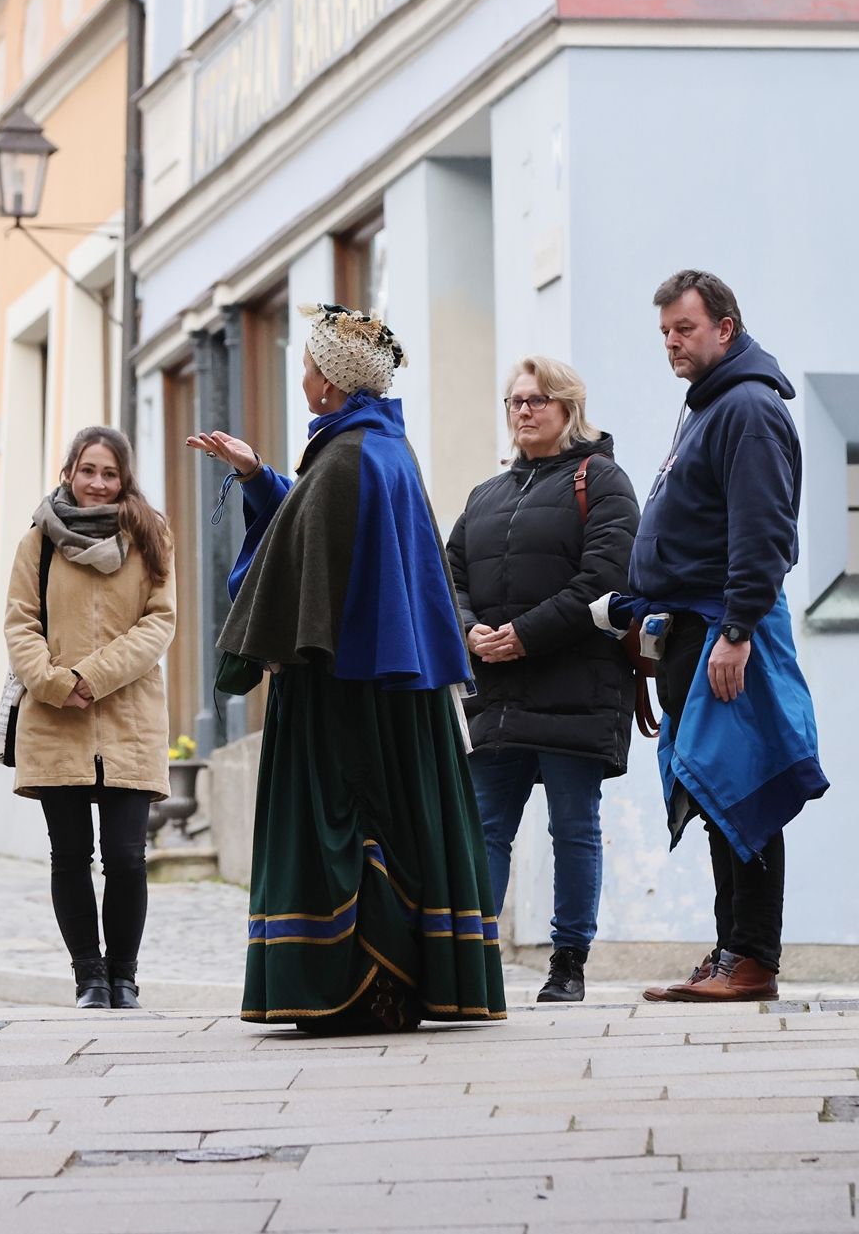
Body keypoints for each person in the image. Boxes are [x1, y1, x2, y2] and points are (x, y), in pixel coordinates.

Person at [190, 304, 507, 1033]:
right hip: (390, 681)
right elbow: (313, 538)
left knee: (358, 824)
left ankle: (361, 984)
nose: (301, 375)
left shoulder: (350, 458)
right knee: (401, 822)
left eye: (307, 364)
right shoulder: (376, 448)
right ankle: (392, 983)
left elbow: (302, 559)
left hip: (347, 690)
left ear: (331, 381)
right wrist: (258, 474)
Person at [621, 272, 825, 1003]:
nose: (672, 343)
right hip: (692, 626)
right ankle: (729, 949)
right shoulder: (708, 406)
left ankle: (752, 958)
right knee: (714, 792)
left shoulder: (747, 407)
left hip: (725, 629)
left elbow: (765, 531)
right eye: (666, 333)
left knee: (746, 785)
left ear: (726, 328)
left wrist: (736, 629)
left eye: (685, 328)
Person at [446, 356, 639, 1004]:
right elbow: (448, 579)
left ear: (567, 407)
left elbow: (606, 577)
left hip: (576, 682)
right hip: (496, 688)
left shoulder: (602, 481)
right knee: (485, 824)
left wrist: (525, 634)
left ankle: (568, 963)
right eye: (514, 401)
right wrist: (471, 629)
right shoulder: (485, 495)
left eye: (537, 399)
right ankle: (473, 958)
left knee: (572, 825)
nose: (524, 410)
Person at [3, 426, 176, 1010]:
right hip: (56, 721)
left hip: (129, 719)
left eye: (109, 473)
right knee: (70, 856)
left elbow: (159, 624)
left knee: (127, 856)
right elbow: (19, 624)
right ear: (69, 472)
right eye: (88, 471)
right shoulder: (39, 542)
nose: (98, 483)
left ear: (123, 477)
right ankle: (89, 979)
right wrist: (55, 684)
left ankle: (124, 977)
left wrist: (91, 676)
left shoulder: (151, 536)